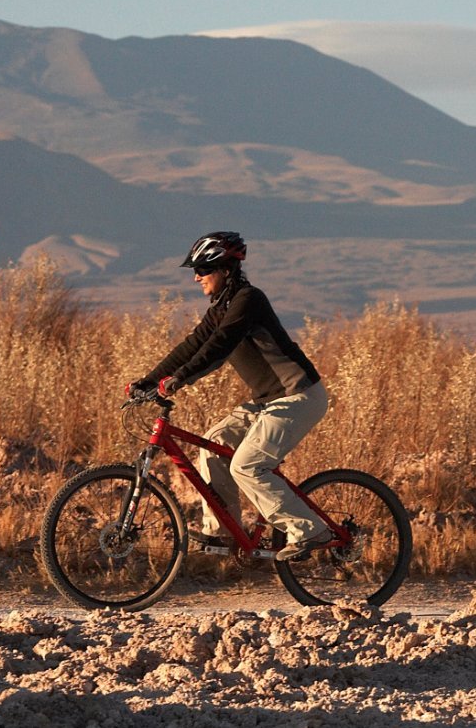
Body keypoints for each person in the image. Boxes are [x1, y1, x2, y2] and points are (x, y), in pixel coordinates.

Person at [130, 232, 332, 555]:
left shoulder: (248, 301)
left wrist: (180, 379)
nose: (196, 277)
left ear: (225, 269)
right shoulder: (222, 306)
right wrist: (148, 380)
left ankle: (309, 531)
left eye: (203, 269)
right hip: (268, 400)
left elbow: (219, 347)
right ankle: (225, 534)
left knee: (247, 466)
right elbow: (193, 345)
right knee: (213, 444)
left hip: (298, 396)